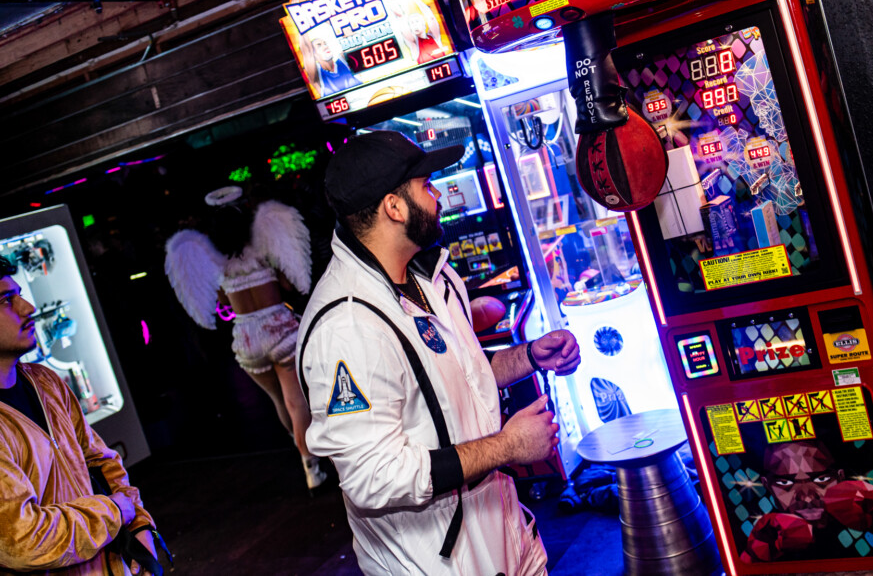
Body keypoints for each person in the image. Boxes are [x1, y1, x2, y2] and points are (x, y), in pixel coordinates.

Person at [298, 131, 581, 575]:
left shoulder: (434, 278)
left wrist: (529, 356)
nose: (439, 198)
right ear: (394, 206)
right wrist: (508, 444)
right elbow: (375, 476)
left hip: (507, 538)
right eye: (427, 186)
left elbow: (456, 375)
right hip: (438, 564)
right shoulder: (347, 326)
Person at [0, 257, 162, 575]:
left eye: (19, 294)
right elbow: (21, 538)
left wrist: (141, 525)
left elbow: (103, 462)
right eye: (7, 300)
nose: (27, 307)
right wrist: (116, 511)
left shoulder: (44, 380)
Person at [164, 187, 326, 492]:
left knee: (278, 401)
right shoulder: (263, 253)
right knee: (295, 400)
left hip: (247, 340)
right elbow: (290, 285)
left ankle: (301, 446)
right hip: (279, 330)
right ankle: (311, 467)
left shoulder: (217, 266)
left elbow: (223, 303)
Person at [741, 439, 873, 563]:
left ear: (839, 478)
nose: (806, 496)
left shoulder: (864, 522)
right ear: (767, 485)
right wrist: (753, 555)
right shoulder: (770, 535)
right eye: (785, 483)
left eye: (822, 479)